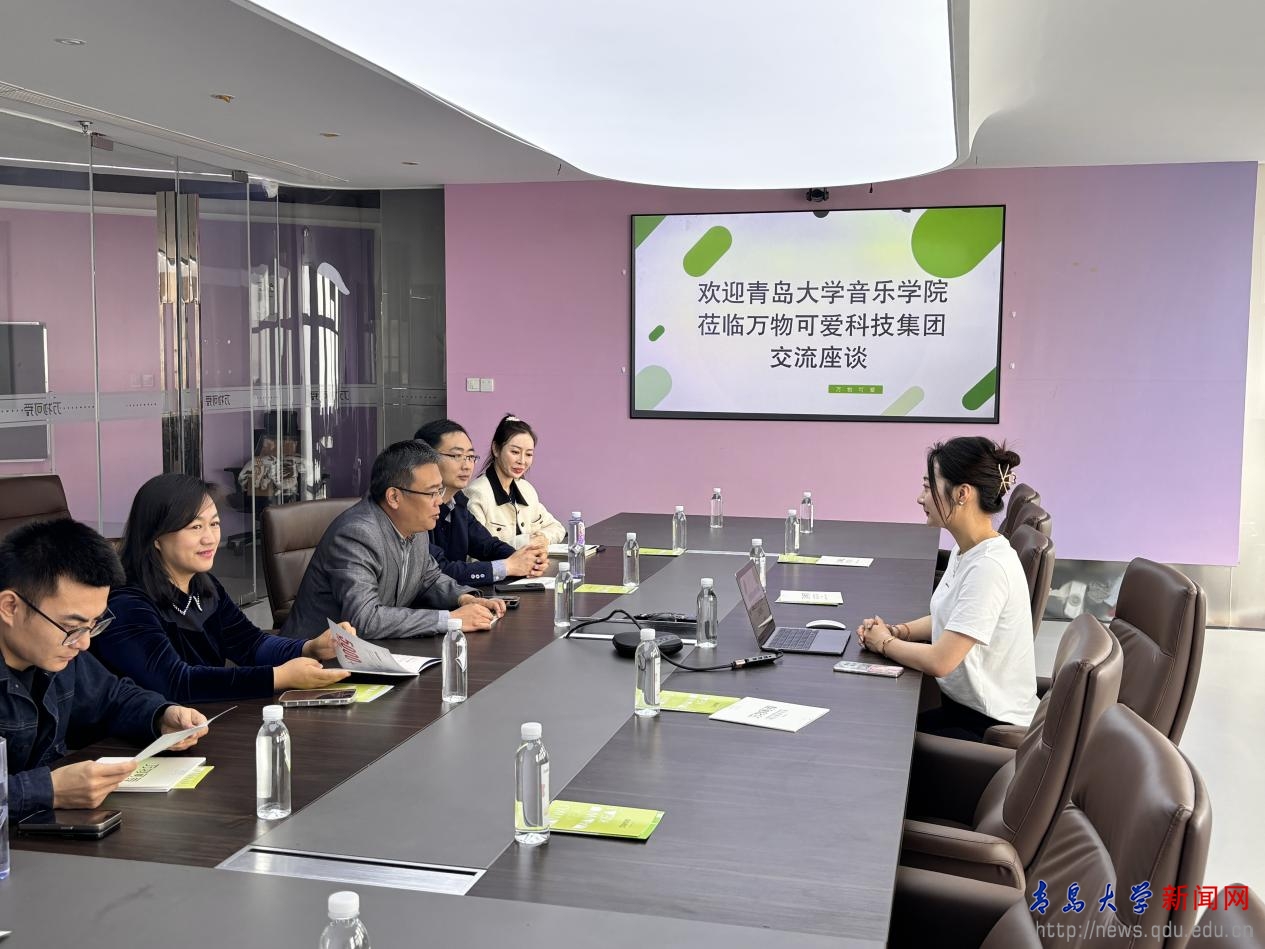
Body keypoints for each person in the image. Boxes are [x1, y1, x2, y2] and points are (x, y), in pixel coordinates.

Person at [0, 518, 208, 819]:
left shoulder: (59, 650)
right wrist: (49, 790)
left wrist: (161, 716)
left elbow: (111, 698)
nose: (84, 643)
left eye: (94, 624)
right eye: (72, 626)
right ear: (10, 607)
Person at [95, 474, 354, 704]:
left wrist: (308, 648)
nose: (209, 538)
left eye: (215, 524)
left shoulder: (203, 587)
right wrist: (278, 677)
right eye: (195, 527)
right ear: (156, 538)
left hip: (203, 720)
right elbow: (175, 683)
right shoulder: (127, 604)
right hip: (143, 737)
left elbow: (251, 644)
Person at [855, 437, 1039, 742]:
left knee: (876, 736)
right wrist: (898, 631)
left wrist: (884, 643)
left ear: (962, 493)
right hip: (961, 709)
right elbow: (953, 616)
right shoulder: (968, 549)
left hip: (987, 728)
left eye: (928, 488)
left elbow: (941, 661)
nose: (920, 498)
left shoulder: (989, 568)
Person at [282, 440, 505, 640]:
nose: (439, 501)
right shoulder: (357, 535)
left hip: (376, 650)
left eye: (440, 490)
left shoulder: (414, 525)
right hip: (315, 659)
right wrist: (451, 620)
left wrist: (464, 598)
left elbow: (428, 577)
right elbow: (364, 619)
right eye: (431, 493)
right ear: (394, 497)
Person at [414, 419, 549, 586]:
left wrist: (527, 559)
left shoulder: (457, 503)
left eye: (470, 457)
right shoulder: (416, 509)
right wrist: (507, 566)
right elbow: (437, 571)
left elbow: (487, 545)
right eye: (456, 456)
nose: (467, 465)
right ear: (426, 459)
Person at [464, 414, 566, 549]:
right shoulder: (477, 493)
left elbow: (557, 528)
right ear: (496, 449)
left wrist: (542, 538)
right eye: (515, 452)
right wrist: (525, 542)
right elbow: (475, 553)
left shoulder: (526, 489)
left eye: (528, 454)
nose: (522, 461)